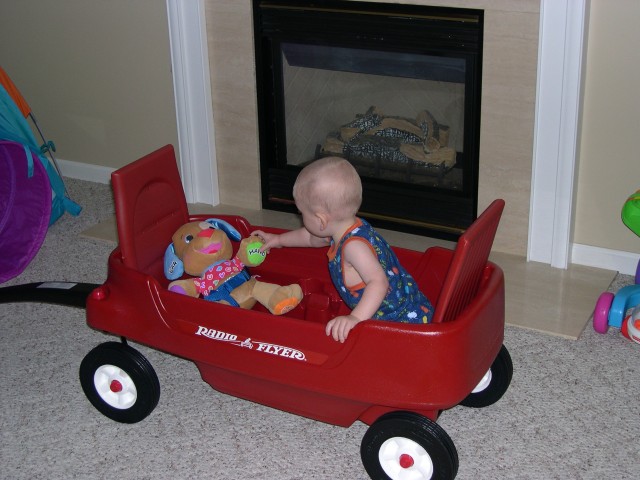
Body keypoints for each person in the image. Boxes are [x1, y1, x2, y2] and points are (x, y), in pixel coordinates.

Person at [252, 156, 433, 342]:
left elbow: (378, 283)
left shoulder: (353, 247)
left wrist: (355, 318)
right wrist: (278, 240)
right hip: (404, 305)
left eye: (302, 213)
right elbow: (311, 237)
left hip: (401, 324)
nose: (300, 217)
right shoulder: (343, 227)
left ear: (321, 220)